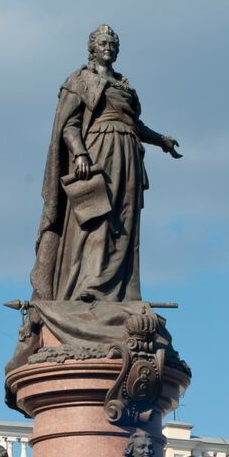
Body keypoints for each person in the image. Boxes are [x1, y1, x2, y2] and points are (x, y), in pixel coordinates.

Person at [30, 24, 182, 302]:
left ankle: (121, 292)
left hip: (128, 156)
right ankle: (88, 287)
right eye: (103, 44)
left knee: (124, 222)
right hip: (98, 152)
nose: (108, 48)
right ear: (92, 48)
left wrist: (161, 140)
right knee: (96, 218)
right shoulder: (80, 80)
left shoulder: (123, 84)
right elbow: (69, 125)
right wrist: (79, 154)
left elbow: (134, 124)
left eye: (112, 44)